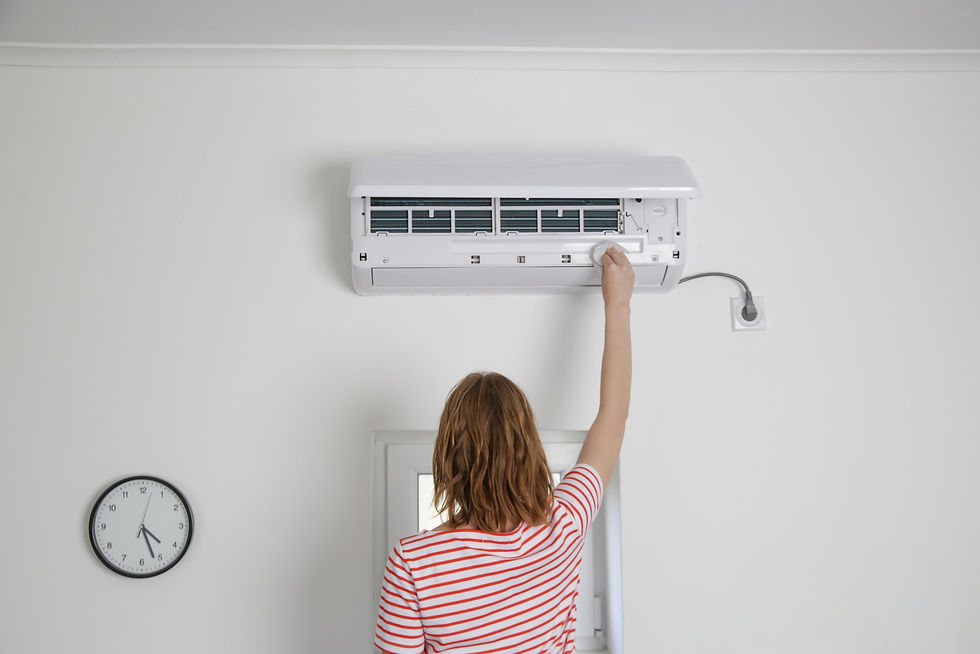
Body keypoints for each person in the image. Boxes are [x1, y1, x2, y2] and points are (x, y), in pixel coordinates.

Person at [375, 248, 634, 654]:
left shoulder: (414, 563)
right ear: (530, 451)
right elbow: (613, 416)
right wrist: (618, 304)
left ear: (446, 460)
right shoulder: (561, 528)